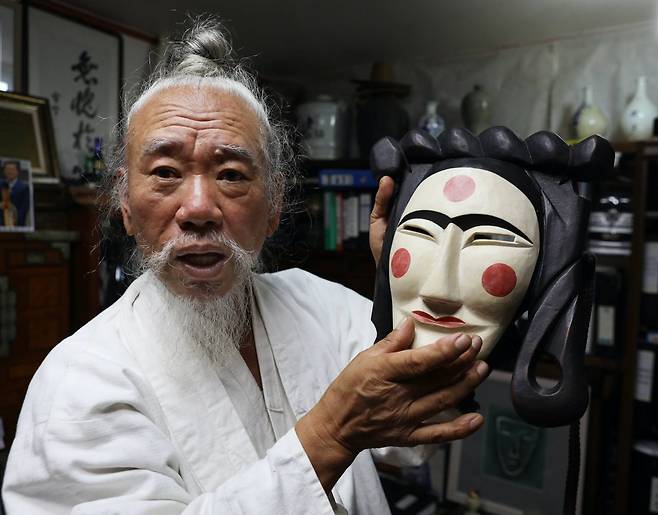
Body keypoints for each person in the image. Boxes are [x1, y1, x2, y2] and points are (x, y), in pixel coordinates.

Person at [1, 19, 488, 514]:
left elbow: (427, 408)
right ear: (125, 204)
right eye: (166, 173)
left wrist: (408, 283)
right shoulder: (81, 382)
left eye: (231, 174)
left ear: (273, 204)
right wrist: (330, 435)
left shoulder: (323, 306)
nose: (197, 208)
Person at [1, 161, 29, 227]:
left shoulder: (24, 188)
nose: (9, 172)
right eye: (7, 169)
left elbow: (23, 210)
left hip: (16, 225)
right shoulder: (1, 184)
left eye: (12, 169)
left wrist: (11, 222)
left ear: (18, 172)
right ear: (4, 171)